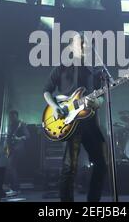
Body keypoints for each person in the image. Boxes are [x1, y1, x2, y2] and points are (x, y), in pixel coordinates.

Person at [43, 32, 108, 202]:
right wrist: (55, 107)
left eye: (86, 43)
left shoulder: (95, 71)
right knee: (69, 168)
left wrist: (98, 102)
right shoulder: (62, 67)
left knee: (101, 165)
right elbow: (46, 91)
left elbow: (101, 97)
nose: (84, 46)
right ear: (71, 46)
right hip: (71, 123)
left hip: (91, 124)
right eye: (80, 43)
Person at [3, 110, 30, 196]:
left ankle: (16, 188)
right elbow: (9, 137)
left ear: (16, 116)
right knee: (10, 168)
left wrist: (19, 138)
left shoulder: (21, 124)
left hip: (18, 148)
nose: (11, 118)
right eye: (10, 117)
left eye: (12, 116)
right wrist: (6, 146)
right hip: (11, 148)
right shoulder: (10, 125)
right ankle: (12, 187)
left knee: (11, 167)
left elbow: (28, 136)